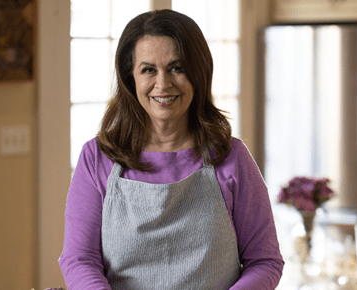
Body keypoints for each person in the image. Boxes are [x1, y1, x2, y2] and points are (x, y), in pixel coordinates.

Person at [58, 9, 284, 290]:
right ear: (131, 78)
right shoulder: (97, 158)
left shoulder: (232, 157)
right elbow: (79, 259)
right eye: (148, 70)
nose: (163, 84)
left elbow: (265, 261)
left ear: (198, 73)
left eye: (177, 68)